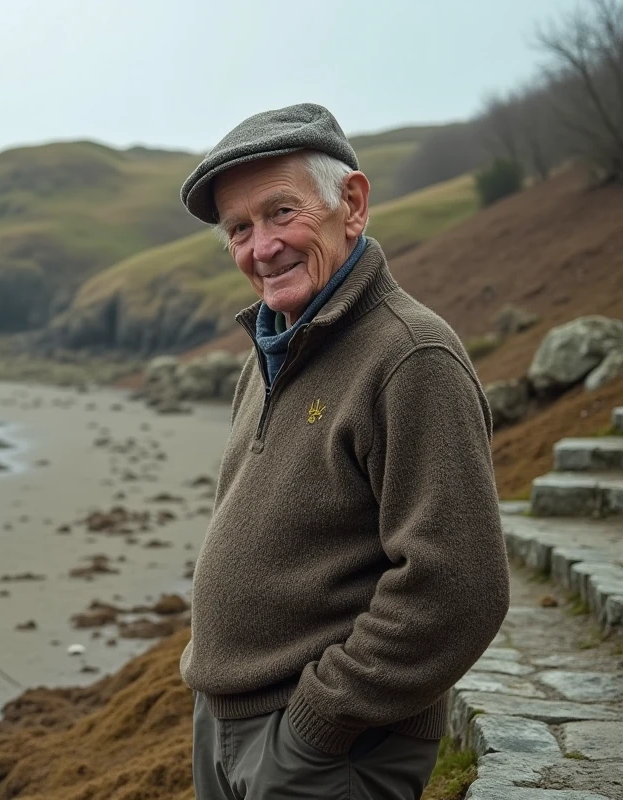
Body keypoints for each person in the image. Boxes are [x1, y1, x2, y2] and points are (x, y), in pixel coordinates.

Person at [178, 103, 510, 800]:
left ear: (351, 205)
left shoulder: (410, 356)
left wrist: (317, 721)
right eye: (239, 229)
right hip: (230, 730)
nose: (261, 247)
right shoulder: (272, 350)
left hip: (327, 750)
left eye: (281, 212)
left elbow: (459, 587)